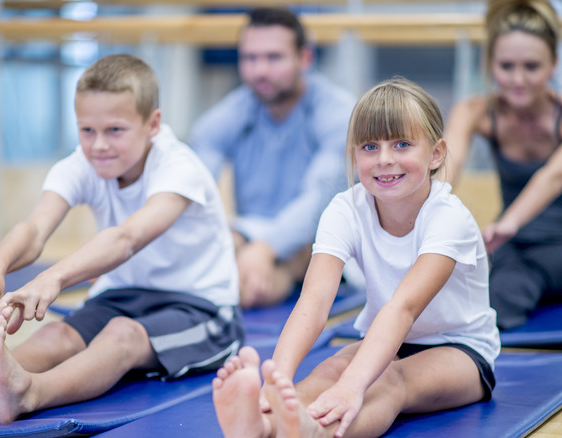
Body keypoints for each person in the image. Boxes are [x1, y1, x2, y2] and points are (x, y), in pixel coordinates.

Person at [0, 54, 244, 424]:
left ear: (153, 123)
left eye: (115, 130)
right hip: (120, 294)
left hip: (201, 307)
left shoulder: (180, 168)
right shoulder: (83, 163)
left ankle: (27, 392)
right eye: (87, 130)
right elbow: (34, 229)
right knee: (57, 335)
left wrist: (54, 277)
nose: (99, 145)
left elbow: (126, 238)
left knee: (121, 336)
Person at [212, 78, 500, 438]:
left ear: (436, 154)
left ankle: (313, 434)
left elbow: (403, 308)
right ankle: (263, 424)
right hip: (386, 338)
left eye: (402, 144)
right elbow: (315, 300)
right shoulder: (345, 208)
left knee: (387, 382)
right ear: (354, 156)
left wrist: (353, 387)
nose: (384, 160)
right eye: (369, 146)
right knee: (329, 372)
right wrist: (277, 378)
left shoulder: (448, 217)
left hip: (460, 351)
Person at [443, 0, 562, 330]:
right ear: (490, 64)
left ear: (554, 64)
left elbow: (555, 177)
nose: (517, 79)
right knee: (454, 277)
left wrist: (510, 221)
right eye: (506, 66)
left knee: (511, 281)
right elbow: (448, 167)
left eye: (531, 67)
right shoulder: (475, 111)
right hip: (510, 244)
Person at [190, 7, 356, 309]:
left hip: (318, 243)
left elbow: (320, 203)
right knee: (215, 247)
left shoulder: (338, 114)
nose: (260, 70)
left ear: (304, 58)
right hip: (249, 234)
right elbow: (188, 194)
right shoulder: (225, 116)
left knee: (266, 270)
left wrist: (266, 248)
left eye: (273, 57)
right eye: (250, 58)